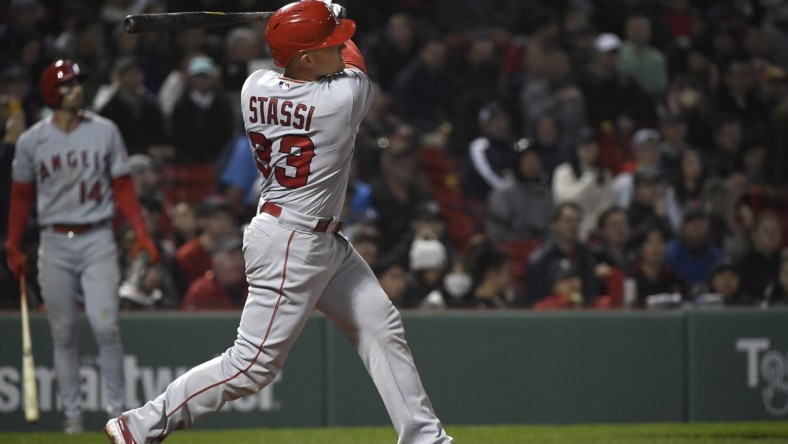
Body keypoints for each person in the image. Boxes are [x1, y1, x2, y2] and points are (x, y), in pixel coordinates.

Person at [105, 3, 452, 443]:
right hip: (293, 242)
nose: (337, 44)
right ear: (306, 59)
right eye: (326, 43)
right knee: (251, 365)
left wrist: (308, 18)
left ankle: (425, 438)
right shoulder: (341, 99)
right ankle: (140, 424)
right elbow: (353, 57)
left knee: (380, 325)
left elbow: (303, 55)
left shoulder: (255, 86)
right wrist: (326, 11)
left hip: (312, 236)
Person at [6, 59, 159, 433]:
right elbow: (21, 196)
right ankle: (72, 419)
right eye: (70, 84)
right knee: (63, 333)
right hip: (54, 241)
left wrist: (140, 231)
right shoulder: (31, 140)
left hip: (97, 238)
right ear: (52, 92)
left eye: (79, 83)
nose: (78, 89)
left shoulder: (104, 131)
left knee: (106, 327)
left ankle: (120, 415)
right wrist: (11, 243)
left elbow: (123, 187)